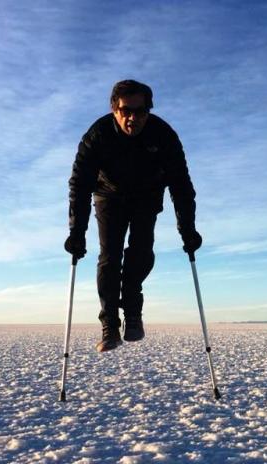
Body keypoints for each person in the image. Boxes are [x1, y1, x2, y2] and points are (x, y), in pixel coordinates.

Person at [65, 79, 203, 352]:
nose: (133, 117)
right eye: (125, 110)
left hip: (147, 196)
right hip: (108, 196)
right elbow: (80, 184)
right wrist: (77, 231)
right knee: (110, 256)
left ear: (149, 110)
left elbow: (181, 184)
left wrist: (187, 228)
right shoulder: (98, 135)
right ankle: (110, 326)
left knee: (141, 252)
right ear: (114, 109)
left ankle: (132, 310)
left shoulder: (163, 136)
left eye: (140, 111)